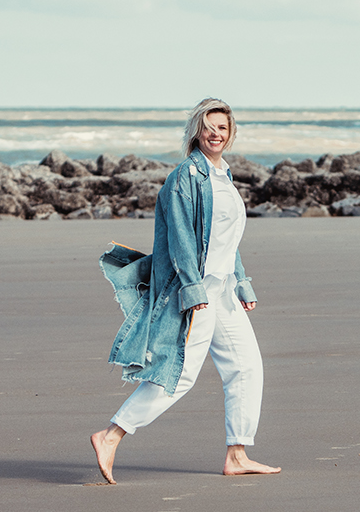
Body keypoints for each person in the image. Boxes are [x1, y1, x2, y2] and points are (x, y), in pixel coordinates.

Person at [92, 99, 280, 484]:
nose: (216, 134)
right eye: (209, 127)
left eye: (223, 129)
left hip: (224, 289)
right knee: (180, 374)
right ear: (197, 130)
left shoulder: (223, 175)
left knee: (246, 366)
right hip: (198, 292)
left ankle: (238, 454)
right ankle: (111, 434)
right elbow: (180, 239)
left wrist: (241, 281)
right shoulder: (185, 177)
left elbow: (225, 240)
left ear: (231, 134)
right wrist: (193, 289)